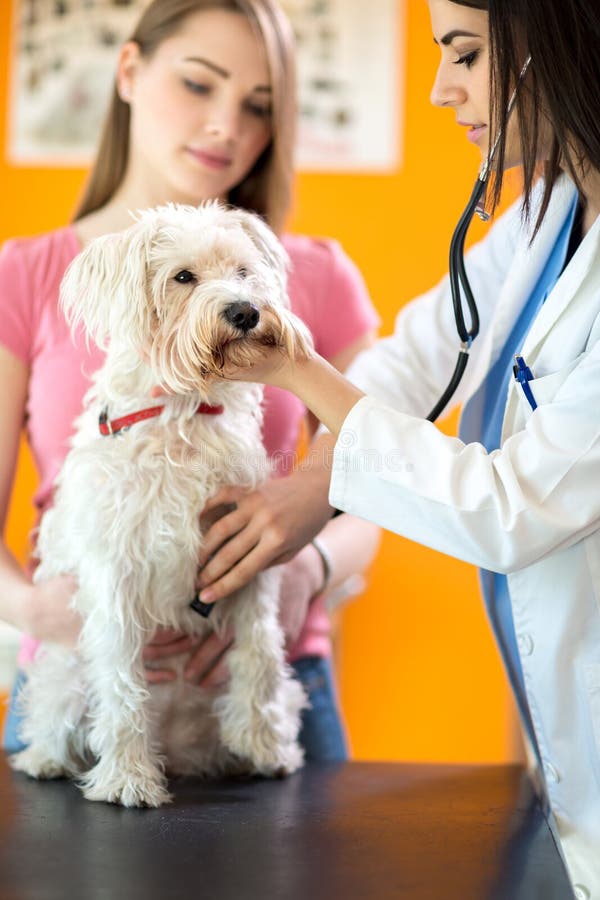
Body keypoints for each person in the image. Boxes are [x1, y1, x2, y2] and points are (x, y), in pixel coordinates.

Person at [194, 0, 600, 892]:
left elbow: (510, 508)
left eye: (464, 55)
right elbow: (422, 351)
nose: (440, 88)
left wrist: (301, 372)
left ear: (564, 43)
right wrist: (314, 481)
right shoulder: (547, 216)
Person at [0, 0, 381, 762]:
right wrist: (42, 611)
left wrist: (308, 566)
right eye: (199, 84)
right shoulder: (25, 274)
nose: (226, 127)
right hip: (85, 685)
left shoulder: (317, 277)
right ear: (131, 70)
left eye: (259, 106)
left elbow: (382, 479)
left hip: (265, 683)